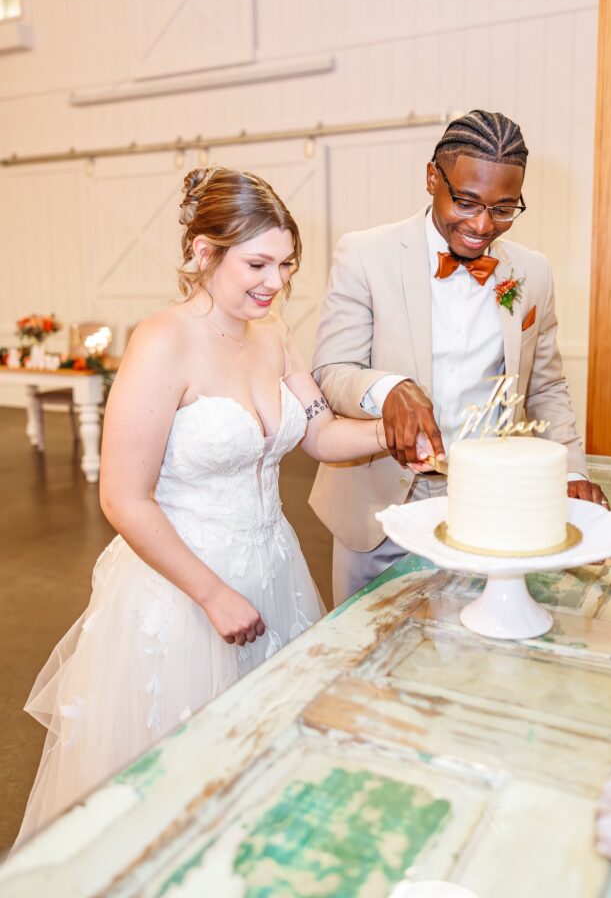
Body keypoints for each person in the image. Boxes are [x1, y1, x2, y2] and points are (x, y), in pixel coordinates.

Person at [16, 167, 387, 844]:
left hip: (273, 570)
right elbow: (122, 497)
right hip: (184, 590)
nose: (275, 283)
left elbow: (320, 434)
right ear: (203, 252)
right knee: (178, 797)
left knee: (262, 772)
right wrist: (213, 595)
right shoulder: (163, 340)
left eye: (286, 264)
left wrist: (394, 433)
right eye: (257, 264)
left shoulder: (272, 333)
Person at [309, 109, 609, 604]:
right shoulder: (364, 254)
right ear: (433, 178)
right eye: (466, 202)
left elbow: (546, 387)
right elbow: (331, 371)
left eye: (503, 209)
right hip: (380, 509)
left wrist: (572, 472)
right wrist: (388, 389)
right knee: (371, 645)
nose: (481, 224)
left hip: (488, 501)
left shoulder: (532, 273)